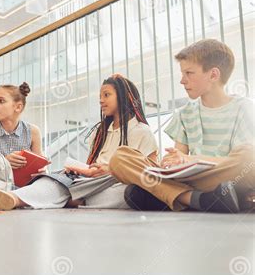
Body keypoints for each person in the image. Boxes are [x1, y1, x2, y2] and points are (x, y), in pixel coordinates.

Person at [0, 75, 158, 210]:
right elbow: (92, 166)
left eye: (106, 95)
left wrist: (110, 170)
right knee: (55, 179)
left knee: (125, 192)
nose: (101, 100)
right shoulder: (101, 132)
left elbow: (150, 171)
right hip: (92, 181)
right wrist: (85, 170)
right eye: (100, 96)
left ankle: (71, 199)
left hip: (114, 182)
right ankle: (11, 199)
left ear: (123, 98)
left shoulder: (141, 131)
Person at [109, 39, 255, 213]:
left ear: (213, 75)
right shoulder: (185, 113)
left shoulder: (244, 108)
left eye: (189, 73)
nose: (182, 81)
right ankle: (199, 200)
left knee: (249, 157)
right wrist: (172, 163)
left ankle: (179, 197)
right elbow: (178, 157)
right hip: (190, 180)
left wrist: (192, 159)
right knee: (120, 158)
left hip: (225, 177)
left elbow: (240, 162)